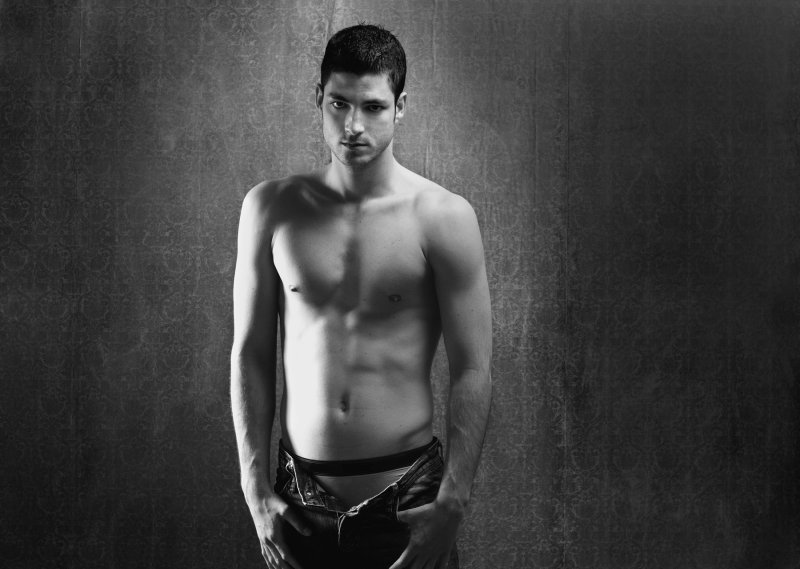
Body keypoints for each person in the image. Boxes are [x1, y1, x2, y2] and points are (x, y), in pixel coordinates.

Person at [231, 23, 492, 569]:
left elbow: (472, 368)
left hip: (408, 499)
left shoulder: (443, 218)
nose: (353, 126)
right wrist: (254, 487)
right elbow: (250, 352)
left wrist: (454, 500)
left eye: (373, 107)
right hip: (297, 502)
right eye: (339, 103)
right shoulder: (270, 208)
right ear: (318, 98)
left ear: (401, 107)